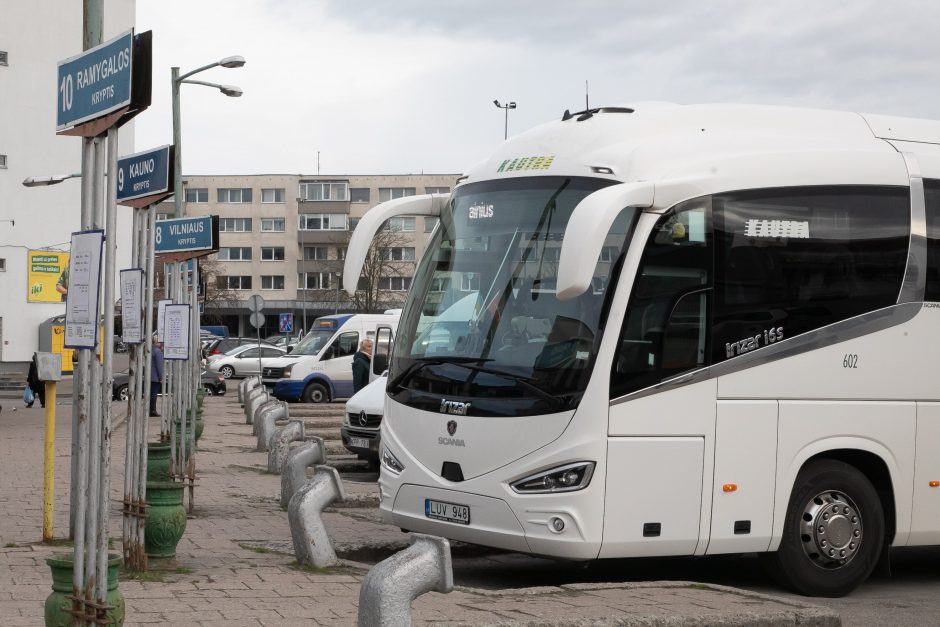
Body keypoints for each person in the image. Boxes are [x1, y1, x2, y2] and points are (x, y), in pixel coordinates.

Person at [150, 337, 164, 417]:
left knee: (150, 393)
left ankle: (150, 409)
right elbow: (159, 366)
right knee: (154, 394)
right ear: (155, 343)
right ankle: (153, 410)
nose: (161, 344)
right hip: (155, 376)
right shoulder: (158, 352)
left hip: (150, 376)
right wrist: (161, 377)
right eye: (159, 342)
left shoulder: (149, 350)